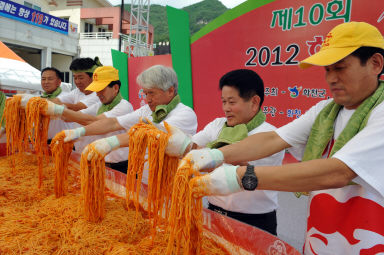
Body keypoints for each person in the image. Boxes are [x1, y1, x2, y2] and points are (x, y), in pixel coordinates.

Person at [182, 22, 384, 254]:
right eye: (327, 70)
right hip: (323, 235)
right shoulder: (326, 110)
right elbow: (273, 139)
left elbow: (338, 172)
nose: (331, 79)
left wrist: (239, 177)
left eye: (340, 68)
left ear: (375, 63)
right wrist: (215, 155)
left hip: (371, 241)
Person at [166, 69, 284, 234]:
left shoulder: (270, 136)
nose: (226, 108)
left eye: (232, 102)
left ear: (254, 102)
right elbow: (193, 147)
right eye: (223, 102)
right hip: (214, 213)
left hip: (253, 221)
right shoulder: (218, 125)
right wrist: (181, 144)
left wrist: (206, 155)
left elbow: (244, 171)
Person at [63, 65, 197, 178]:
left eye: (152, 93)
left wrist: (110, 142)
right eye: (145, 94)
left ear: (170, 91)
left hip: (171, 183)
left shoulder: (184, 114)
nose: (148, 99)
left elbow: (150, 134)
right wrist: (79, 132)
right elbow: (114, 123)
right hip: (144, 179)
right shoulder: (146, 110)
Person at [45, 66, 134, 173]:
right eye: (96, 90)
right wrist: (51, 109)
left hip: (119, 166)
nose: (98, 94)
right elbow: (76, 116)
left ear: (115, 88)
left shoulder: (124, 107)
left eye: (102, 90)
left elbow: (95, 122)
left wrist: (61, 111)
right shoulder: (100, 105)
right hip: (99, 162)